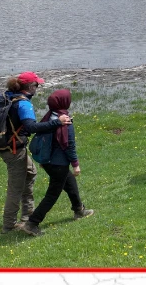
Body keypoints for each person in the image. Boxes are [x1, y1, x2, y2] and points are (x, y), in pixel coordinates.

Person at [1, 72, 70, 234]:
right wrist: (57, 122)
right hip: (14, 149)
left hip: (9, 146)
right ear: (30, 87)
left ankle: (27, 216)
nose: (38, 87)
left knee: (31, 172)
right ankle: (9, 225)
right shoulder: (24, 104)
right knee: (16, 187)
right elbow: (31, 128)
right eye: (36, 85)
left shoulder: (9, 96)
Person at [22, 89, 93, 236]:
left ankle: (79, 210)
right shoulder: (65, 121)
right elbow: (69, 145)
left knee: (70, 182)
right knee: (52, 194)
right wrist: (76, 165)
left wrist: (43, 160)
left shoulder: (49, 117)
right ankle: (32, 223)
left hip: (48, 162)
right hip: (58, 164)